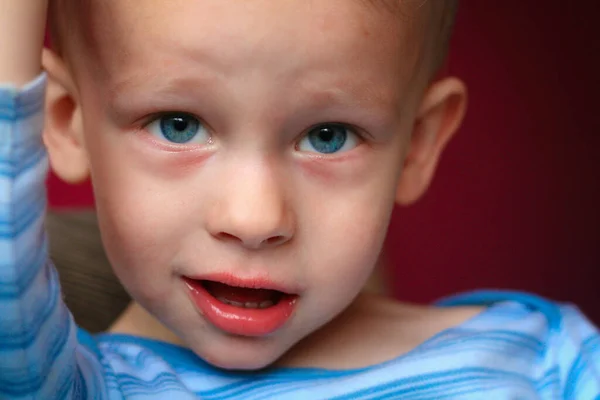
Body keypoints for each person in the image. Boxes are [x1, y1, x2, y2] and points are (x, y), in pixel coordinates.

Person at [1, 0, 598, 398]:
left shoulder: (553, 363)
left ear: (416, 145)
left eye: (327, 136)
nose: (255, 218)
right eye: (178, 124)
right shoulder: (82, 386)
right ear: (65, 119)